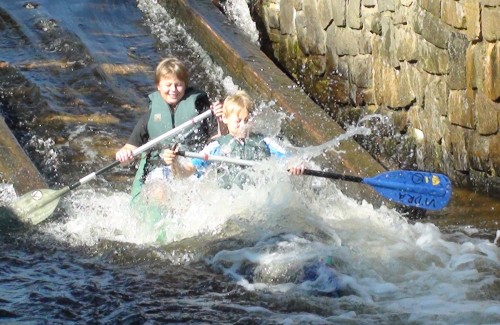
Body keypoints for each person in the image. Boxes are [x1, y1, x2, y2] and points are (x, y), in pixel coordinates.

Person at [115, 57, 224, 201]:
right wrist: (123, 154)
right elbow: (129, 149)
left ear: (185, 86)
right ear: (158, 86)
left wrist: (221, 119)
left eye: (178, 85)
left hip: (193, 166)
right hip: (161, 169)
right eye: (168, 85)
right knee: (160, 192)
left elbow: (219, 139)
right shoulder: (149, 117)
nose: (173, 90)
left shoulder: (201, 109)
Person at [163, 90, 304, 188]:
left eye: (247, 120)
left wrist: (296, 165)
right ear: (225, 118)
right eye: (238, 121)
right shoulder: (217, 146)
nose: (243, 125)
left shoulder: (265, 142)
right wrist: (174, 163)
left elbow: (288, 158)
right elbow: (187, 171)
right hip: (228, 198)